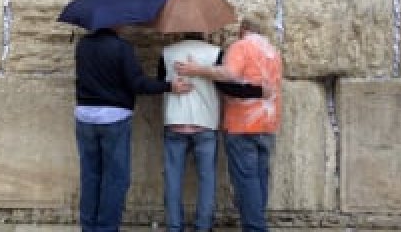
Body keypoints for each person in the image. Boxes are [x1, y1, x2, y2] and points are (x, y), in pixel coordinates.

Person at [74, 26, 192, 232]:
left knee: (90, 175)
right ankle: (106, 228)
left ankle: (88, 226)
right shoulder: (122, 48)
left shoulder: (83, 46)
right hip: (114, 118)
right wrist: (168, 86)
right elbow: (137, 83)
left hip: (85, 116)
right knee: (116, 177)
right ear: (114, 24)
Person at [175, 19, 282, 232]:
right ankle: (257, 223)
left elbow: (228, 74)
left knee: (246, 181)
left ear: (243, 30)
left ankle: (255, 228)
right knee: (260, 178)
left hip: (243, 124)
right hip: (268, 123)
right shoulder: (272, 52)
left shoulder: (241, 46)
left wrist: (197, 70)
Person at [159, 32, 264, 232]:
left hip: (174, 121)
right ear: (204, 32)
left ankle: (174, 226)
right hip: (204, 123)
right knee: (207, 178)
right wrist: (259, 91)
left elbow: (161, 83)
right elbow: (229, 88)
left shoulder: (167, 53)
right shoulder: (215, 53)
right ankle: (203, 225)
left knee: (173, 177)